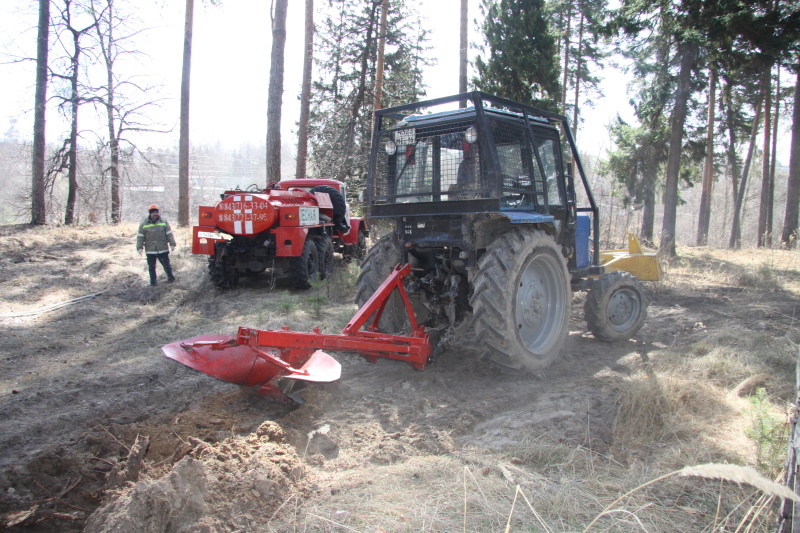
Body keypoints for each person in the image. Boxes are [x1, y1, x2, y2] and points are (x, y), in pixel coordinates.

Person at [136, 204, 177, 286]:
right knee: (151, 267)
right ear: (150, 213)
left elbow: (169, 234)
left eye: (156, 212)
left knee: (167, 265)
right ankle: (153, 282)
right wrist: (139, 247)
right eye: (153, 212)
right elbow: (140, 237)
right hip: (150, 250)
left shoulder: (164, 222)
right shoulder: (143, 224)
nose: (155, 214)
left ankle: (171, 279)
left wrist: (172, 244)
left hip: (162, 249)